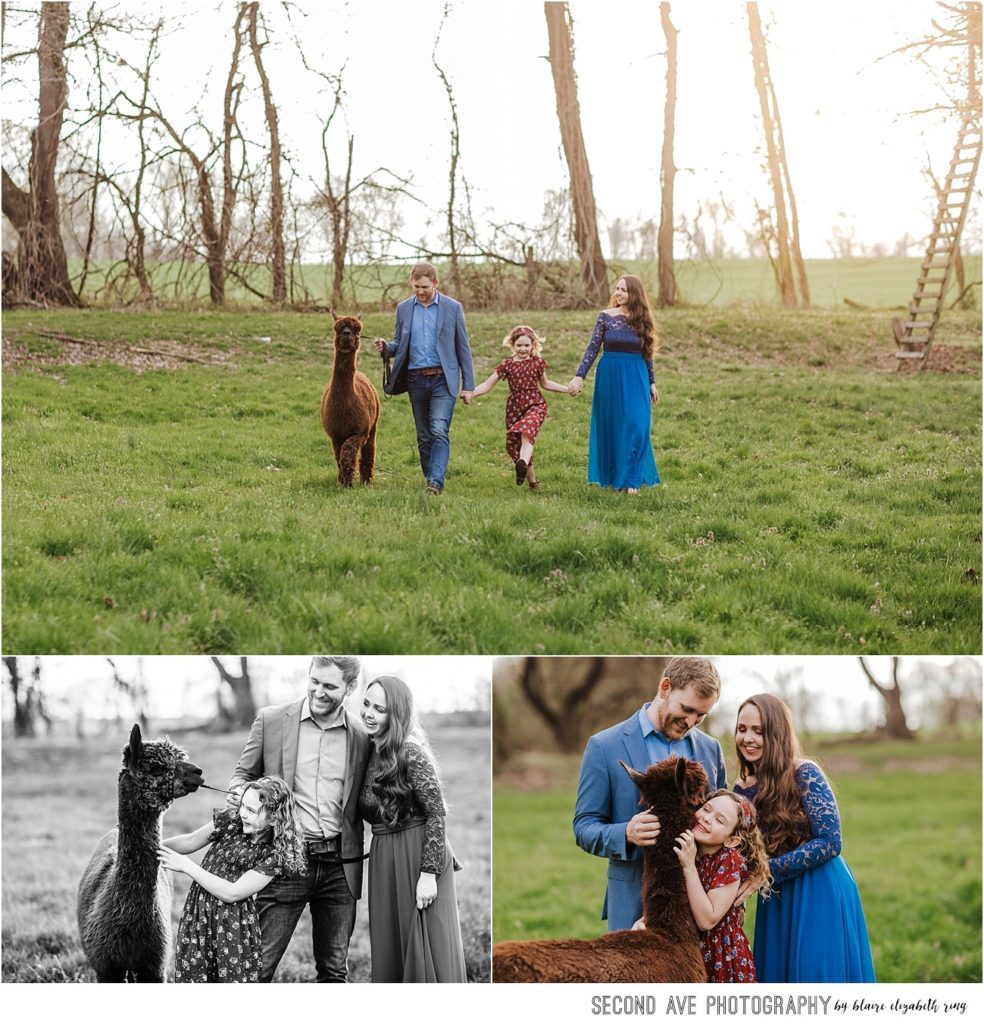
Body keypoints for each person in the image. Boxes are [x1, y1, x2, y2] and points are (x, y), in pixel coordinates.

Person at [227, 655, 370, 982]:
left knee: (334, 972)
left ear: (350, 687)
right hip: (285, 860)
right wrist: (241, 794)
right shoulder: (272, 720)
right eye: (314, 682)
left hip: (340, 866)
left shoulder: (362, 736)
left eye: (330, 686)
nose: (319, 692)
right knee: (256, 968)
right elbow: (242, 773)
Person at [573, 657, 727, 931]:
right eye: (687, 709)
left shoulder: (711, 749)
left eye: (701, 715)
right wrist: (626, 833)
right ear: (665, 688)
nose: (691, 722)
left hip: (700, 906)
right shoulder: (604, 746)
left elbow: (724, 823)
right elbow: (584, 827)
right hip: (634, 907)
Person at [732, 693, 876, 982]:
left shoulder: (805, 773)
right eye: (742, 728)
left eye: (758, 731)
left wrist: (768, 871)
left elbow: (830, 841)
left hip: (819, 888)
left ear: (777, 734)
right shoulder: (741, 789)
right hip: (775, 897)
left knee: (818, 977)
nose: (748, 738)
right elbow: (743, 848)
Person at [357, 675, 467, 982]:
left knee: (424, 947)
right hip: (384, 857)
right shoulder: (369, 748)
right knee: (392, 942)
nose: (369, 713)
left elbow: (437, 812)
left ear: (396, 715)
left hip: (418, 854)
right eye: (366, 704)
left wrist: (428, 874)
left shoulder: (410, 751)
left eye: (379, 709)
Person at [159, 776, 307, 983]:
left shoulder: (274, 855)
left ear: (274, 818)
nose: (243, 814)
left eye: (252, 811)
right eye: (243, 806)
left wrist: (187, 866)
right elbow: (190, 841)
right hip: (199, 916)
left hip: (231, 926)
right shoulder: (232, 820)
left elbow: (233, 892)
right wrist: (149, 844)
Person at [373, 262, 475, 495]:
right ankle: (431, 476)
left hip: (443, 378)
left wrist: (469, 386)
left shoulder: (453, 308)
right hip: (416, 380)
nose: (420, 291)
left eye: (424, 287)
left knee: (439, 429)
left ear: (436, 283)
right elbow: (400, 343)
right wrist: (386, 347)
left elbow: (463, 348)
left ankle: (436, 482)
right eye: (416, 286)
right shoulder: (404, 309)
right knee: (423, 435)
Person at [568, 275, 660, 493]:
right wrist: (579, 375)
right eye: (617, 289)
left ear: (634, 294)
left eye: (624, 290)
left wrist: (652, 383)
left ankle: (631, 478)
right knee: (615, 426)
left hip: (636, 375)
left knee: (638, 426)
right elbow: (592, 349)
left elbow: (647, 353)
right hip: (610, 374)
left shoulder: (643, 319)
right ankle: (621, 477)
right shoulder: (605, 317)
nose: (618, 293)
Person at [668, 790, 770, 983]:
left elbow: (708, 920)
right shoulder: (690, 849)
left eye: (719, 820)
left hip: (721, 956)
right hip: (689, 949)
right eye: (706, 809)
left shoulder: (729, 860)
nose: (707, 818)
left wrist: (689, 866)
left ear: (731, 840)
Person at [461, 325, 569, 489]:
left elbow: (546, 384)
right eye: (519, 345)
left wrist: (566, 389)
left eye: (527, 345)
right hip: (515, 407)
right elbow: (488, 384)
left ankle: (522, 462)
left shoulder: (537, 363)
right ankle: (532, 481)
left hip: (535, 403)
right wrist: (471, 394)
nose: (523, 349)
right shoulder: (507, 365)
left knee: (527, 431)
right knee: (516, 444)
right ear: (512, 345)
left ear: (533, 345)